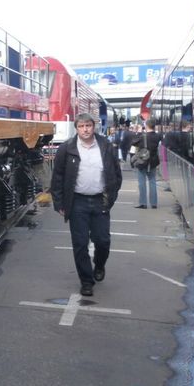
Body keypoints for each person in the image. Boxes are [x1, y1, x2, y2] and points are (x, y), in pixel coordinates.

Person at [50, 113, 123, 297]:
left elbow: (116, 173)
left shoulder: (105, 146)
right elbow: (57, 177)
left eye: (88, 125)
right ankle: (86, 281)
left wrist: (111, 196)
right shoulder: (66, 148)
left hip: (100, 200)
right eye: (81, 126)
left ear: (94, 126)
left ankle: (99, 265)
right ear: (76, 128)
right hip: (77, 202)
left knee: (103, 240)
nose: (85, 129)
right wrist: (59, 202)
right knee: (80, 244)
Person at [133, 118, 163, 208]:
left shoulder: (142, 136)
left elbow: (133, 144)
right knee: (152, 181)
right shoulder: (158, 136)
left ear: (146, 126)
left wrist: (138, 132)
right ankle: (154, 203)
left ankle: (143, 203)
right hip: (153, 162)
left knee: (142, 182)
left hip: (143, 162)